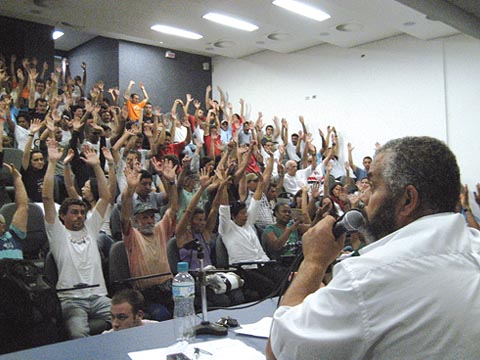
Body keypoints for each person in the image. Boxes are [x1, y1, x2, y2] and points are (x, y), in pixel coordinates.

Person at [267, 136, 480, 359]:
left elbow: (279, 350)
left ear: (407, 200)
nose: (364, 198)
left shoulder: (366, 278)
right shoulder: (475, 245)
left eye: (374, 187)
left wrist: (314, 261)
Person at [43, 139, 111, 339]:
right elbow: (47, 198)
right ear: (63, 216)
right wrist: (52, 162)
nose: (80, 216)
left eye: (82, 212)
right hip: (72, 300)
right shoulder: (58, 234)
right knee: (78, 333)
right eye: (74, 212)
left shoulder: (90, 229)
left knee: (130, 322)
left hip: (100, 297)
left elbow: (105, 197)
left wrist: (97, 166)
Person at [0, 163, 28, 259]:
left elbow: (23, 207)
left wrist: (17, 179)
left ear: (3, 227)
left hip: (18, 272)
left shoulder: (14, 236)